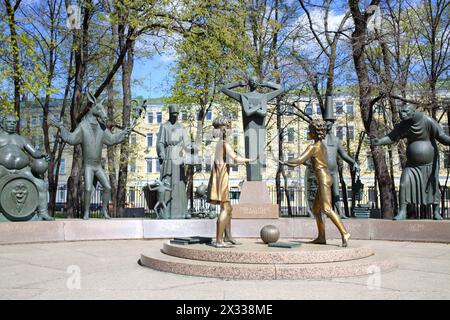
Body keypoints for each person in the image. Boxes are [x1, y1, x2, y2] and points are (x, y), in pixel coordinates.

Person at [51, 92, 131, 219]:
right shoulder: (83, 126)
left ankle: (104, 211)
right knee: (88, 189)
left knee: (108, 187)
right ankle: (86, 212)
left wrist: (124, 133)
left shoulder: (102, 127)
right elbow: (71, 138)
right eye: (99, 109)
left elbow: (111, 139)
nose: (102, 112)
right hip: (88, 166)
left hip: (98, 166)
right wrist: (61, 127)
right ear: (92, 108)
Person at [371, 103, 450, 220]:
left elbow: (442, 136)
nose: (402, 115)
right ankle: (402, 212)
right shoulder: (404, 124)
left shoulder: (427, 121)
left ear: (413, 112)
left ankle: (436, 212)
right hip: (412, 165)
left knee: (433, 187)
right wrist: (379, 142)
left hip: (429, 164)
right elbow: (392, 137)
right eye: (401, 112)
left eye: (405, 112)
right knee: (404, 184)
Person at [280, 119, 350, 247]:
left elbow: (299, 160)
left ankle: (345, 233)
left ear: (314, 132)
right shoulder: (322, 145)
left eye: (310, 130)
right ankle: (321, 237)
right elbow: (314, 162)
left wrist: (285, 162)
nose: (308, 132)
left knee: (327, 209)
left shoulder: (312, 147)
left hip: (323, 179)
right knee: (316, 209)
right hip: (326, 177)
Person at [221, 76, 283, 181]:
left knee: (259, 155)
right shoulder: (244, 96)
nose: (254, 83)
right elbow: (224, 89)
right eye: (252, 81)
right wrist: (238, 83)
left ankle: (257, 179)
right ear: (249, 83)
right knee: (251, 154)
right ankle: (252, 180)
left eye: (255, 81)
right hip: (249, 130)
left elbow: (280, 90)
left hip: (260, 129)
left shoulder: (263, 97)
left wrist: (266, 83)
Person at [208, 116, 254, 248]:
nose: (229, 129)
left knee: (229, 208)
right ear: (224, 129)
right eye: (228, 127)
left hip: (220, 175)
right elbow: (235, 158)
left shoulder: (220, 143)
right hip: (221, 177)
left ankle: (228, 236)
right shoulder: (224, 143)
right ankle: (219, 240)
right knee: (226, 208)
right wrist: (250, 160)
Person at [0, 114, 54, 221]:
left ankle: (43, 212)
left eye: (14, 123)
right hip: (2, 168)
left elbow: (34, 152)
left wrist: (42, 155)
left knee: (41, 184)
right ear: (2, 124)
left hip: (23, 169)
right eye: (9, 122)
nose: (12, 125)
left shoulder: (21, 139)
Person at [156, 105, 194, 219]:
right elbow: (160, 142)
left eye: (177, 114)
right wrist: (161, 152)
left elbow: (186, 143)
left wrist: (191, 147)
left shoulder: (181, 127)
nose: (175, 116)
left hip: (178, 156)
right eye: (173, 114)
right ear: (170, 114)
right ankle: (165, 212)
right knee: (167, 181)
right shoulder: (164, 126)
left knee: (179, 184)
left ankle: (182, 212)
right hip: (168, 155)